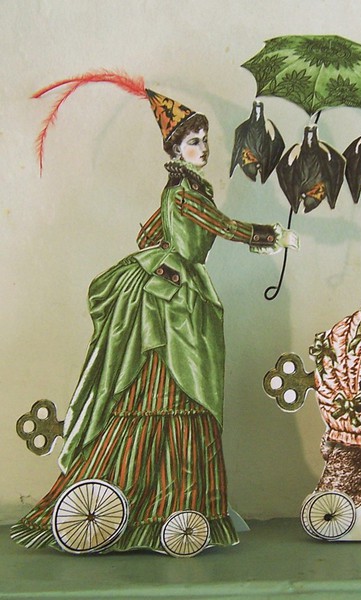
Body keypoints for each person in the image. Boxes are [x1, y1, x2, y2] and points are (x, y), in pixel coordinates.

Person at [12, 74, 297, 554]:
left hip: (174, 293)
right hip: (173, 305)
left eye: (204, 140)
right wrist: (274, 236)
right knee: (177, 391)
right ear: (175, 150)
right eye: (193, 141)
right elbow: (221, 225)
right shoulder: (185, 193)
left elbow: (149, 236)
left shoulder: (182, 192)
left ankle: (172, 505)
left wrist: (171, 250)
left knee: (172, 392)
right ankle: (170, 507)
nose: (202, 148)